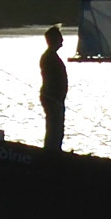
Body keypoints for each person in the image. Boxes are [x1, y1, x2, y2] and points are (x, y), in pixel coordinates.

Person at [39, 25, 68, 153]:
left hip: (55, 98)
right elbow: (51, 80)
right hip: (52, 98)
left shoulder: (51, 57)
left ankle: (54, 150)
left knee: (56, 128)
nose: (62, 41)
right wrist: (56, 97)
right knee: (54, 128)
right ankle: (51, 152)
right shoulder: (49, 58)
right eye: (60, 38)